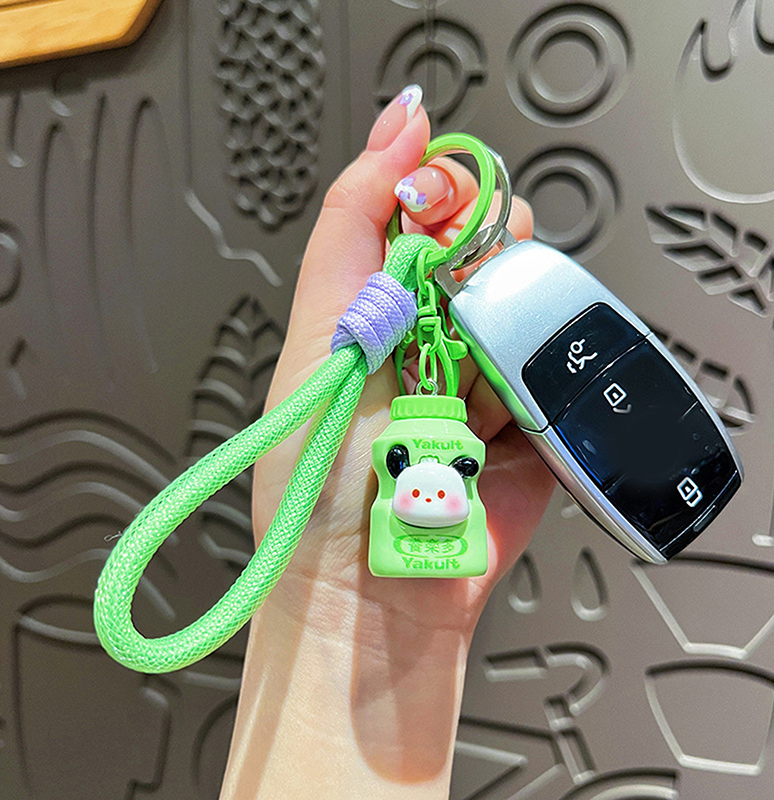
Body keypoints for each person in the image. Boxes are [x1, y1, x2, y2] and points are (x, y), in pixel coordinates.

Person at [219, 86, 555, 799]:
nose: (430, 483)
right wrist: (326, 601)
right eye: (397, 462)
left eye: (458, 467)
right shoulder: (394, 463)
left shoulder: (453, 473)